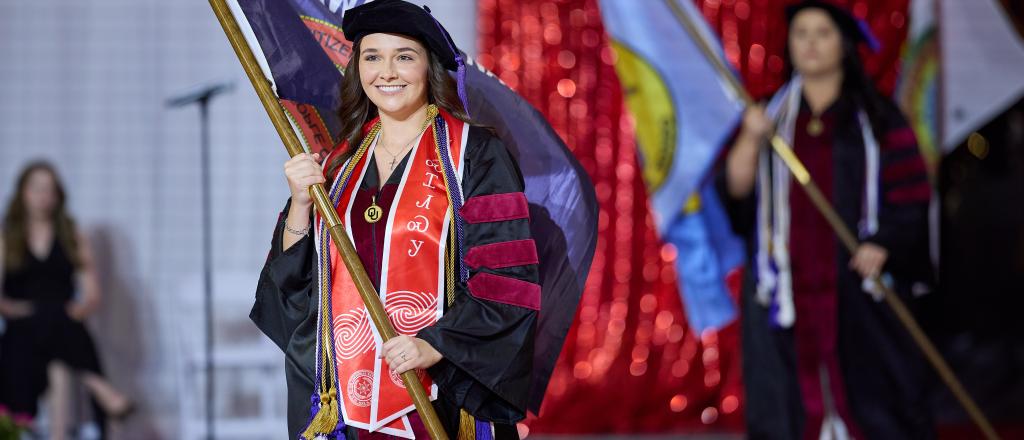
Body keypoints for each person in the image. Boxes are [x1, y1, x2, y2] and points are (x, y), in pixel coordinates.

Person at [251, 1, 541, 438]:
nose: (386, 72)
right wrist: (300, 203)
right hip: (346, 404)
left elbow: (508, 280)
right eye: (372, 57)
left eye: (404, 57)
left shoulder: (474, 155)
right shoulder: (339, 163)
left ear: (429, 68)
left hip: (438, 393)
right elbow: (293, 288)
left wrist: (434, 344)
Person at [719, 1, 935, 439]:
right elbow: (736, 192)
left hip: (857, 283)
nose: (811, 43)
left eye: (823, 33)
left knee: (876, 402)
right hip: (785, 287)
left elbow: (911, 194)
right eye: (801, 33)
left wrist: (884, 242)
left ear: (844, 44)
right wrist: (749, 138)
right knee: (786, 407)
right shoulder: (771, 115)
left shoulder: (877, 119)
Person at [0, 161, 133, 439]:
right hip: (22, 329)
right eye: (37, 188)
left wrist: (81, 309)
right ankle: (101, 388)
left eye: (50, 190)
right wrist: (12, 308)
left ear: (58, 195)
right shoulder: (7, 237)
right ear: (23, 192)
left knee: (57, 349)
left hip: (63, 323)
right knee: (48, 328)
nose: (43, 196)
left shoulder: (72, 235)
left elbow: (91, 293)